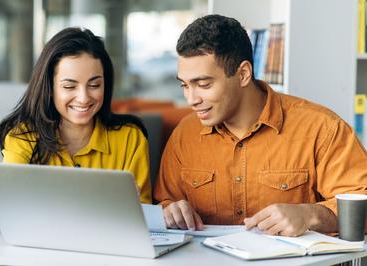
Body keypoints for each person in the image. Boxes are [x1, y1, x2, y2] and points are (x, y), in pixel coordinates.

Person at [153, 14, 367, 236]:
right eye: (184, 86)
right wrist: (170, 211)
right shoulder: (184, 135)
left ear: (243, 74)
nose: (191, 99)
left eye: (204, 84)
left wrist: (309, 215)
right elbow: (164, 202)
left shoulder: (322, 129)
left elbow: (361, 205)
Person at [0, 27, 152, 205]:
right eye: (69, 87)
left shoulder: (130, 138)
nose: (84, 98)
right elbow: (2, 210)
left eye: (94, 85)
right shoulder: (24, 136)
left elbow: (143, 215)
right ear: (49, 88)